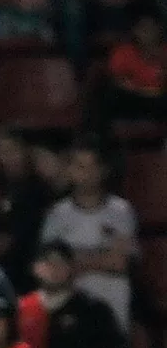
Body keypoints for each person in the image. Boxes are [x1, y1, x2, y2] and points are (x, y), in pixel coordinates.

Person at [39, 139, 137, 331]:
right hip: (69, 307)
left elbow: (121, 262)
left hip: (113, 299)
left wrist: (73, 262)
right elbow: (50, 268)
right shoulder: (58, 214)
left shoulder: (121, 211)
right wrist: (102, 258)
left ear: (103, 170)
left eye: (92, 167)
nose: (87, 174)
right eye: (80, 167)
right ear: (70, 170)